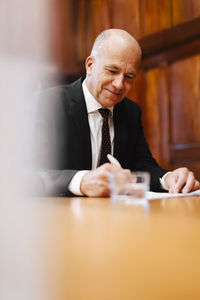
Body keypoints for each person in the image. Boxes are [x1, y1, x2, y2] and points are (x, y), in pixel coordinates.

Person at [32, 28, 200, 196]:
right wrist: (82, 181)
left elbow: (142, 166)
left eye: (129, 77)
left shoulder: (131, 111)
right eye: (112, 71)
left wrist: (169, 178)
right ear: (90, 66)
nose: (119, 85)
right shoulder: (47, 104)